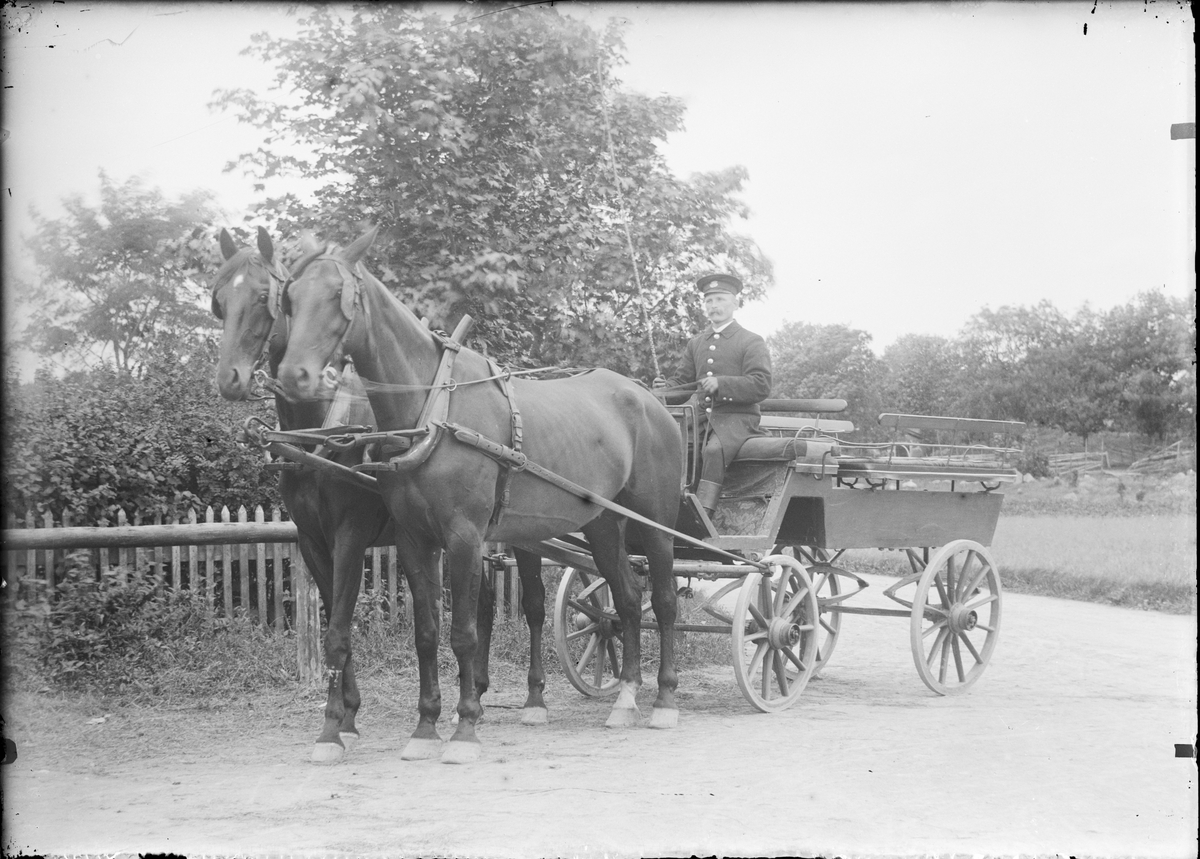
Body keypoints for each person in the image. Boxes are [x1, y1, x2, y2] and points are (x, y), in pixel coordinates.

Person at [654, 272, 772, 516]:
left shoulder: (751, 341)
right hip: (700, 419)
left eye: (720, 299)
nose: (714, 306)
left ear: (735, 303)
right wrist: (660, 390)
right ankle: (671, 507)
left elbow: (761, 385)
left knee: (712, 451)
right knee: (670, 446)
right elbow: (681, 384)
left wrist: (722, 384)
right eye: (709, 301)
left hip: (737, 419)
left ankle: (703, 514)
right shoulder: (696, 343)